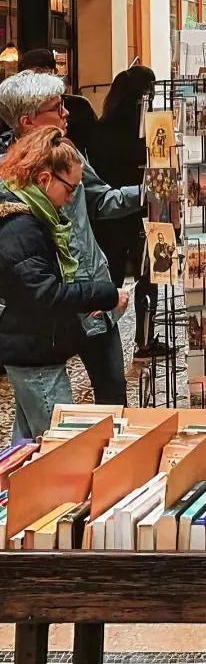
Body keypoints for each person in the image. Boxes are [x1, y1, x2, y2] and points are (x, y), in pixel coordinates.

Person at [0, 72, 140, 404]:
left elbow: (102, 200)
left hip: (92, 295)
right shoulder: (8, 176)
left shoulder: (66, 153)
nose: (67, 114)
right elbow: (22, 262)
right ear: (28, 120)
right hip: (49, 311)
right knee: (45, 406)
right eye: (57, 107)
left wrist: (149, 192)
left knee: (111, 393)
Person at [0, 128, 125, 440]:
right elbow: (45, 295)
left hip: (32, 347)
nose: (71, 198)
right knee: (58, 446)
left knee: (27, 444)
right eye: (70, 189)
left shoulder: (31, 217)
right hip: (35, 352)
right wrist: (104, 294)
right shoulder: (21, 228)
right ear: (44, 180)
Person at [87, 66, 165, 360]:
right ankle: (144, 341)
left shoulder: (99, 130)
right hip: (138, 212)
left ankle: (103, 340)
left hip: (106, 216)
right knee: (147, 278)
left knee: (111, 280)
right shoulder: (142, 132)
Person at [17, 48, 98, 154]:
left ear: (54, 72)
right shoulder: (14, 109)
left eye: (42, 72)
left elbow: (97, 146)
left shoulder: (79, 106)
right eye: (30, 75)